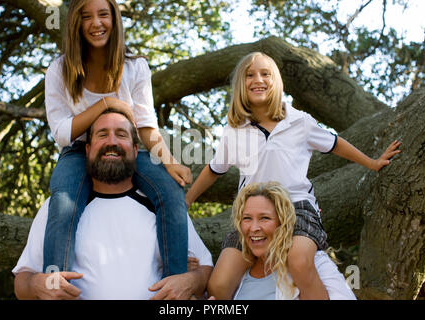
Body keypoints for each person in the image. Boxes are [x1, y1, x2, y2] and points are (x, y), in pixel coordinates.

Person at [185, 52, 401, 299]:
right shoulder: (234, 131)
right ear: (240, 85)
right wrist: (187, 200)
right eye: (250, 75)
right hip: (253, 214)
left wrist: (372, 163)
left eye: (266, 73)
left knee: (298, 262)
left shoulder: (299, 121)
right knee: (219, 285)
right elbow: (215, 169)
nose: (258, 79)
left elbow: (335, 143)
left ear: (276, 80)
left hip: (296, 207)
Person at [44, 0, 191, 278]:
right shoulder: (58, 70)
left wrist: (169, 162)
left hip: (127, 149)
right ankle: (55, 286)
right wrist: (106, 104)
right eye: (86, 16)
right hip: (79, 149)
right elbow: (62, 133)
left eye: (103, 14)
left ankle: (176, 282)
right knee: (63, 202)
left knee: (171, 192)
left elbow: (146, 126)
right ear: (75, 23)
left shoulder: (135, 67)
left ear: (114, 18)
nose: (96, 23)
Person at [13, 109, 213, 300]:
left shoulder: (163, 204)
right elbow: (22, 281)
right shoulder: (60, 205)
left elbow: (204, 267)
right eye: (102, 134)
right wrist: (37, 285)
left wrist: (191, 280)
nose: (112, 142)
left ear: (136, 150)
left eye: (121, 134)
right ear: (87, 149)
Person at [230, 181, 356, 300]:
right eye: (247, 218)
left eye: (264, 218)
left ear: (282, 222)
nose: (254, 228)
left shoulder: (313, 263)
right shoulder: (238, 274)